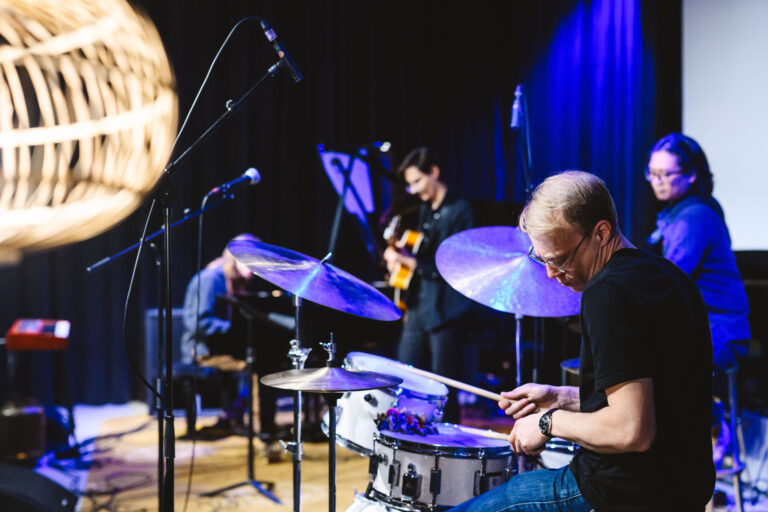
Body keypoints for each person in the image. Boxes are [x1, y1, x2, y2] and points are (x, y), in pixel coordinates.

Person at [449, 171, 714, 511]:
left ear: (601, 232)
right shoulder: (669, 276)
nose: (550, 273)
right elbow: (657, 398)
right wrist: (560, 397)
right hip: (686, 487)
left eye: (559, 259)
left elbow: (632, 429)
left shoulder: (608, 292)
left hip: (624, 492)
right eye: (542, 260)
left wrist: (548, 423)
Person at [645, 133, 751, 464]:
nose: (657, 182)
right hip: (701, 324)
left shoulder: (694, 216)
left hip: (720, 328)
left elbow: (671, 275)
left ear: (690, 175)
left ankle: (714, 429)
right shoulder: (679, 211)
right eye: (652, 173)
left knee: (659, 366)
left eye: (666, 175)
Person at [383, 147, 475, 423]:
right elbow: (422, 258)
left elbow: (452, 267)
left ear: (434, 172)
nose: (413, 189)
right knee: (406, 377)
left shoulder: (460, 210)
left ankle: (448, 449)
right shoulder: (425, 210)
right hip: (418, 306)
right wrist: (398, 261)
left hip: (445, 311)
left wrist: (406, 261)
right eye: (409, 184)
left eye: (417, 181)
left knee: (444, 388)